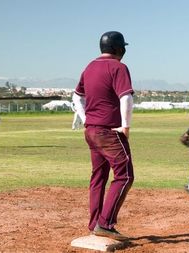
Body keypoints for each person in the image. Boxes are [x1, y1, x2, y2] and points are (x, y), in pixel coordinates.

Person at [72, 31, 134, 241]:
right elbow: (125, 97)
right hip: (109, 131)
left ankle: (95, 223)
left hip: (91, 130)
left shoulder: (89, 67)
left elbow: (76, 96)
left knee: (98, 177)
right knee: (124, 175)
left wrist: (85, 118)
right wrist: (125, 126)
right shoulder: (118, 67)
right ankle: (105, 223)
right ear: (118, 48)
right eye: (122, 47)